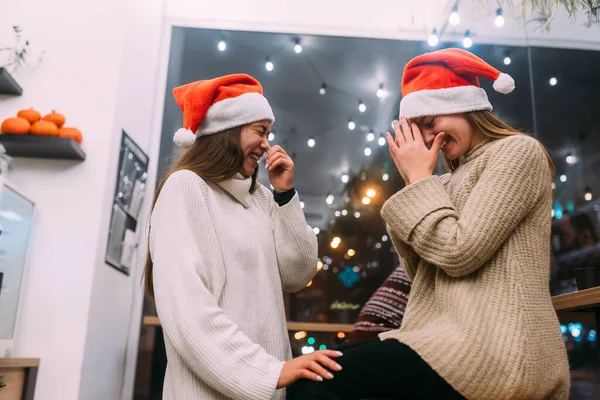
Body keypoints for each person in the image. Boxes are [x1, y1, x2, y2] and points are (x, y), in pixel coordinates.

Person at [288, 49, 570, 399]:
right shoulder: (448, 181)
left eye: (430, 123)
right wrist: (416, 184)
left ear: (464, 106)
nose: (426, 138)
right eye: (418, 129)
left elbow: (459, 252)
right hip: (444, 341)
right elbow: (421, 271)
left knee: (314, 386)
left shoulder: (517, 152)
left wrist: (420, 181)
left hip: (498, 347)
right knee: (311, 373)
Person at [144, 74, 342, 400]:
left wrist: (285, 196)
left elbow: (298, 274)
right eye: (260, 132)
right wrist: (268, 372)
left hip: (268, 389)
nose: (267, 144)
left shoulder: (261, 199)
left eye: (268, 133)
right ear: (227, 131)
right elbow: (187, 309)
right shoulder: (187, 188)